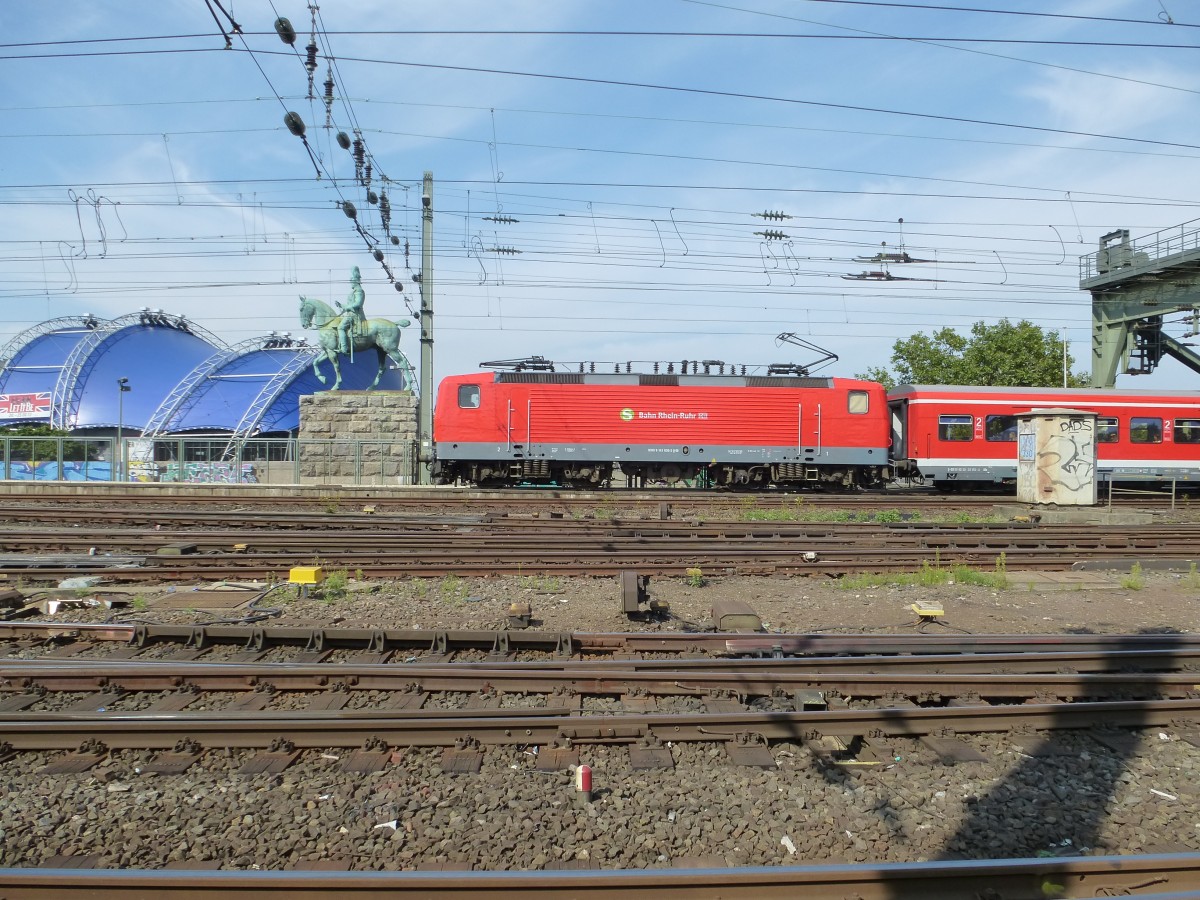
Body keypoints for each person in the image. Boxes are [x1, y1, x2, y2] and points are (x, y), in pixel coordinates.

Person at [336, 266, 366, 355]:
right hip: (351, 313)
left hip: (354, 314)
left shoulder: (359, 291)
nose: (351, 283)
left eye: (351, 281)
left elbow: (358, 304)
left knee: (340, 327)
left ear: (355, 281)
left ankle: (344, 348)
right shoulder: (355, 291)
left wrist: (346, 307)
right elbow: (350, 305)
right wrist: (341, 305)